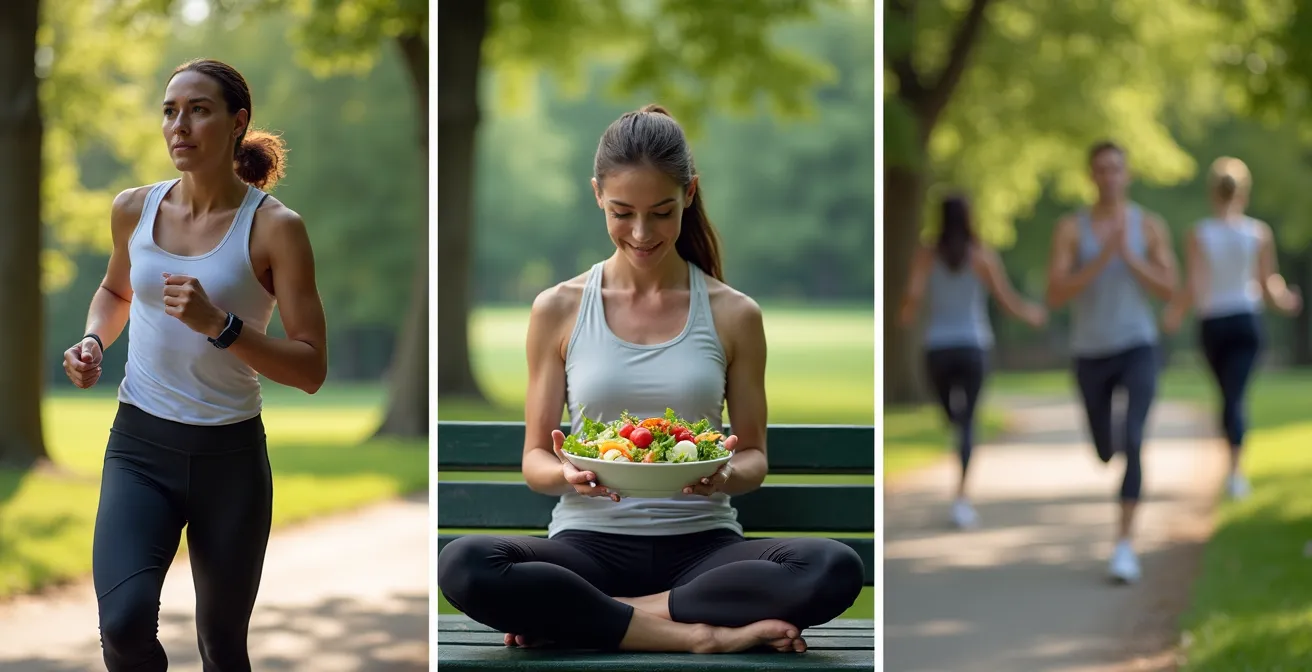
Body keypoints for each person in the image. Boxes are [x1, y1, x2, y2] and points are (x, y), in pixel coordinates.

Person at [437, 104, 865, 654]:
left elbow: (754, 456)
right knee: (466, 564)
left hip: (704, 552)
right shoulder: (558, 308)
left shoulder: (734, 314)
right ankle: (699, 636)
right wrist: (568, 475)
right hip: (587, 548)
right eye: (622, 212)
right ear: (597, 194)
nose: (641, 233)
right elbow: (535, 461)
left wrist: (725, 475)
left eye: (662, 212)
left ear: (690, 193)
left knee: (833, 566)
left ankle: (606, 618)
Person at [61, 58, 328, 671]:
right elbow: (115, 291)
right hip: (140, 447)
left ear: (237, 124)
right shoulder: (134, 209)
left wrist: (222, 326)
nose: (179, 125)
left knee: (222, 646)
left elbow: (311, 368)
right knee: (124, 626)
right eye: (169, 110)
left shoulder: (275, 228)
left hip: (229, 462)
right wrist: (95, 342)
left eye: (198, 110)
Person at [1045, 140, 1178, 584]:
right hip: (1090, 352)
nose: (1109, 177)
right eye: (1100, 169)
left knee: (1135, 438)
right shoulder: (1071, 228)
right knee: (1106, 450)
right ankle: (1114, 443)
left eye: (1116, 169)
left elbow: (1170, 288)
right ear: (1091, 176)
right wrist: (1102, 257)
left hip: (1138, 345)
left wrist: (1130, 257)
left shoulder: (1149, 226)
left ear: (1128, 174)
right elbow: (1056, 293)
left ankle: (1124, 545)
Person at [898, 193, 1047, 529]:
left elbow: (913, 294)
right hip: (974, 347)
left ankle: (960, 472)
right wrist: (1031, 315)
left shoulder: (926, 255)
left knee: (952, 417)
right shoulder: (981, 256)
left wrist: (905, 313)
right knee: (967, 422)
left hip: (937, 348)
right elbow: (1006, 299)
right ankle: (962, 499)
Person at [1162, 157, 1300, 500]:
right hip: (1245, 320)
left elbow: (1194, 284)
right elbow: (1268, 285)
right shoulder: (1257, 232)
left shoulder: (1199, 233)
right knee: (1234, 396)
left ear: (1213, 192)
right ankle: (1235, 471)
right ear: (1244, 192)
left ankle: (1235, 471)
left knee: (1230, 395)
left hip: (1213, 322)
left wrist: (1176, 314)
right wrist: (1287, 302)